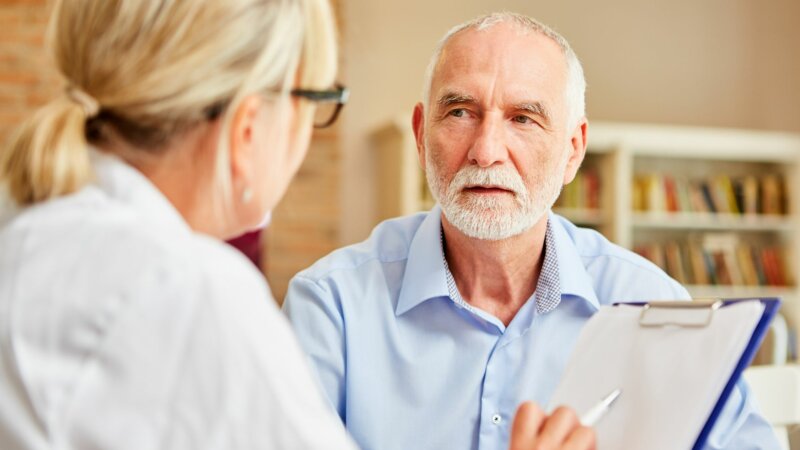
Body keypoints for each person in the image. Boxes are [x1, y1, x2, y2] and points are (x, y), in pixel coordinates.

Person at [0, 1, 590, 449]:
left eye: (523, 118)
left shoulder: (31, 234)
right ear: (249, 127)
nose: (487, 150)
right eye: (319, 101)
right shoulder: (194, 293)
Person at [282, 11, 780, 450]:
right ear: (419, 134)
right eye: (460, 112)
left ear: (572, 150)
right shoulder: (332, 307)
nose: (486, 151)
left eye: (523, 119)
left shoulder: (655, 307)